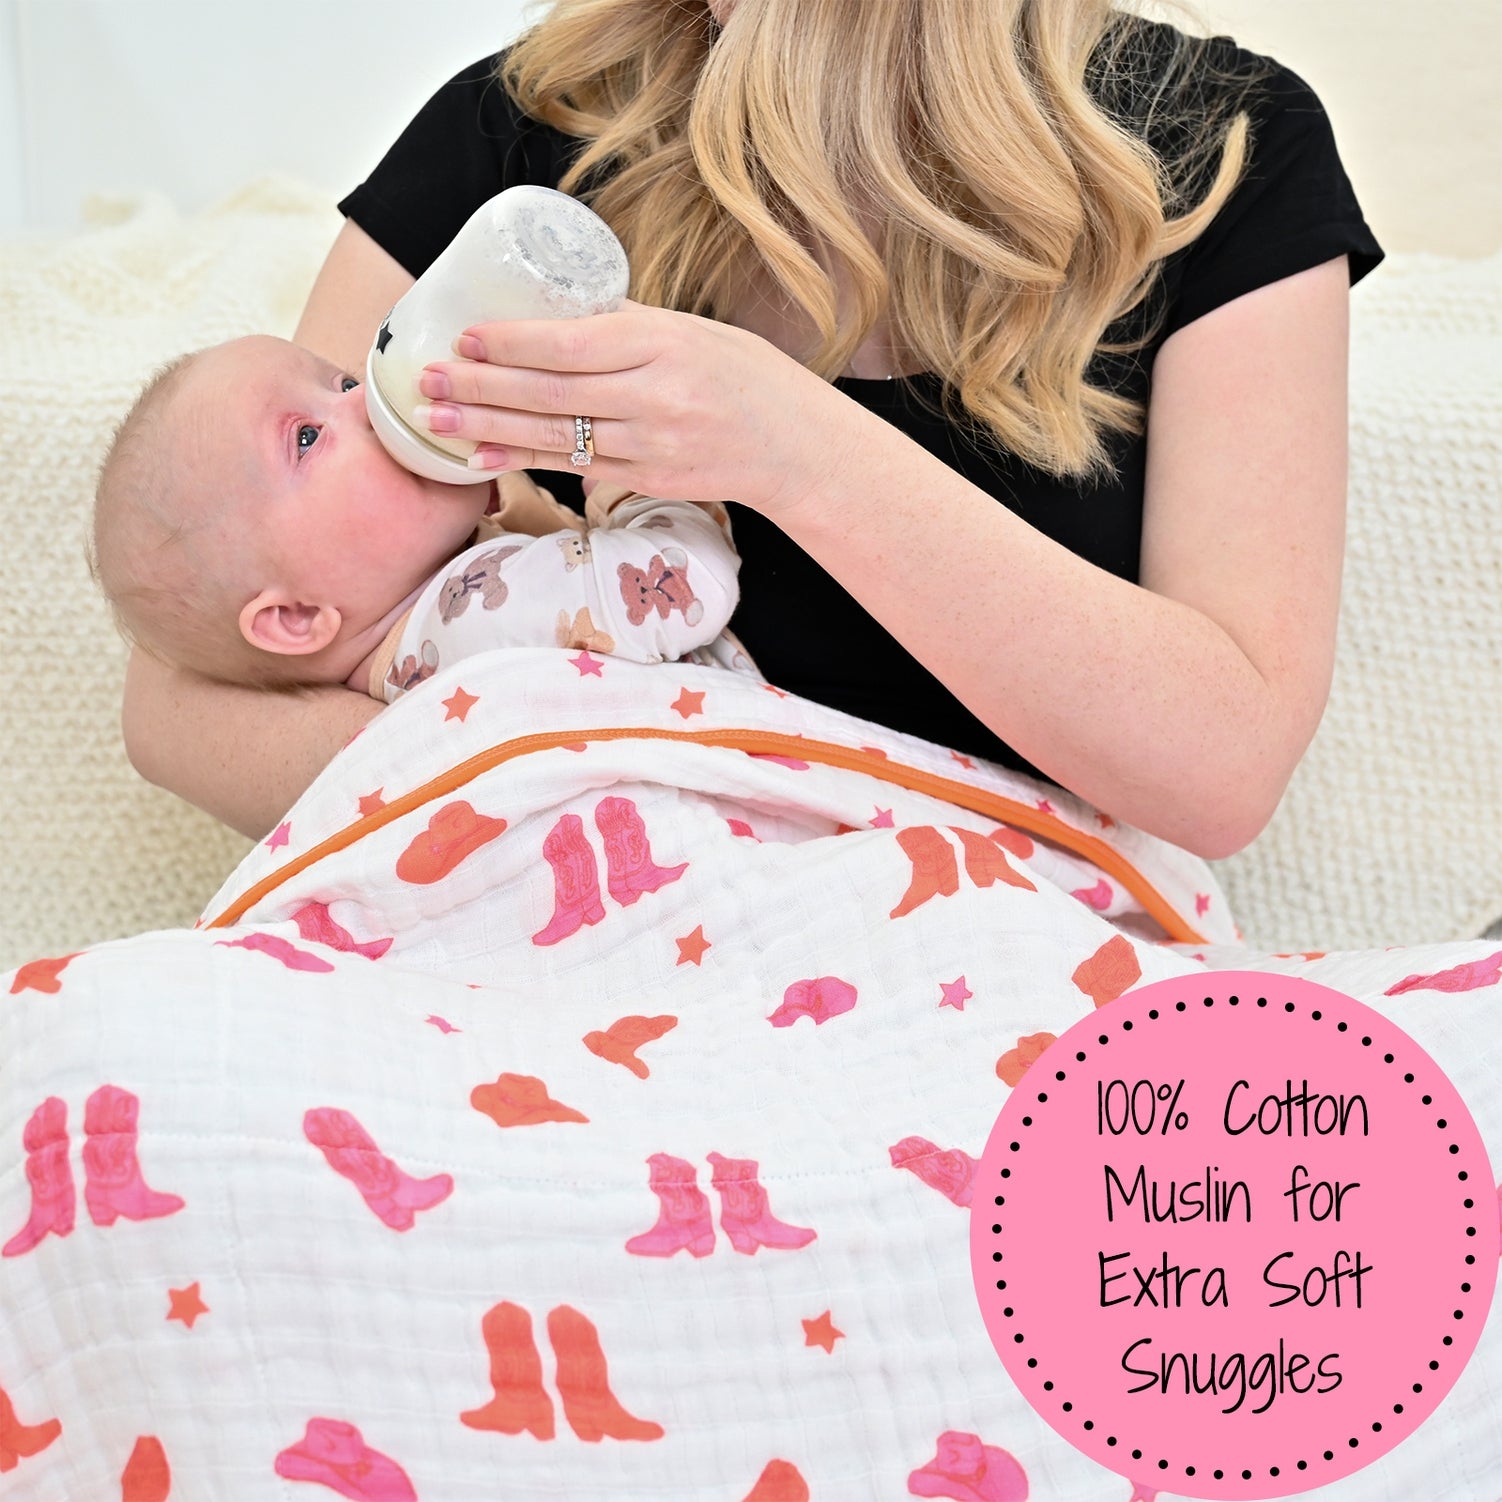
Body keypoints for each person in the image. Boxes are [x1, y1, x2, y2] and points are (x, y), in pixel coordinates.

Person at [120, 0, 1382, 861]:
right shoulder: (530, 128)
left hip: (993, 966)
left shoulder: (1216, 156)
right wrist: (603, 831)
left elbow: (1220, 769)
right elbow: (187, 695)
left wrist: (786, 445)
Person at [91, 333, 747, 703]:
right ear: (295, 616)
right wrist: (620, 469)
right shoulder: (473, 610)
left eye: (344, 383)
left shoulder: (417, 662)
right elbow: (689, 583)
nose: (365, 402)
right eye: (306, 438)